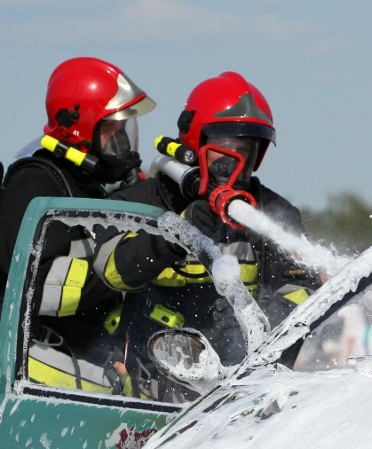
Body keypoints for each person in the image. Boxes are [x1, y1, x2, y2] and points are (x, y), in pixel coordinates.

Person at [93, 71, 320, 371]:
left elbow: (307, 288)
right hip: (150, 384)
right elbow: (111, 272)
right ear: (194, 140)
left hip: (240, 385)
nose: (234, 162)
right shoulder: (144, 200)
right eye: (225, 147)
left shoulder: (270, 211)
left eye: (245, 150)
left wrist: (267, 312)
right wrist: (174, 232)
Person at [0, 57, 156, 398]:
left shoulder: (85, 187)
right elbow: (35, 286)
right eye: (113, 129)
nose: (122, 141)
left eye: (124, 129)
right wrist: (126, 271)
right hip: (33, 377)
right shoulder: (35, 184)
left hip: (76, 376)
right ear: (79, 126)